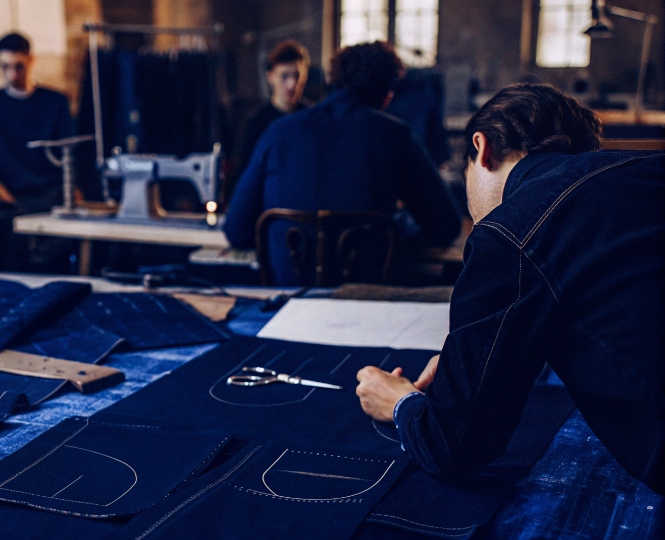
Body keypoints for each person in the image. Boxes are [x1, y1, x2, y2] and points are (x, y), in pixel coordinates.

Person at [355, 84, 664, 494]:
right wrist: (478, 361)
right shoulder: (647, 170)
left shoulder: (508, 233)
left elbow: (453, 448)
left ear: (481, 149)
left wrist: (398, 403)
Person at [223, 41, 460, 285]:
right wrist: (391, 238)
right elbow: (446, 225)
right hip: (365, 301)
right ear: (388, 97)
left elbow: (236, 231)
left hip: (286, 302)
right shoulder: (396, 136)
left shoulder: (278, 132)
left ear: (332, 78)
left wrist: (284, 243)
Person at [0, 32, 74, 214]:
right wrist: (0, 191)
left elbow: (70, 152)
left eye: (19, 66)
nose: (12, 75)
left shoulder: (56, 102)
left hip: (52, 193)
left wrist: (73, 190)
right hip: (9, 197)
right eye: (5, 67)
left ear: (31, 60)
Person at [233, 40, 311, 181]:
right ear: (271, 76)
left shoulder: (312, 118)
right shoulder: (256, 121)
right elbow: (245, 171)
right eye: (284, 76)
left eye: (297, 75)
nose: (292, 84)